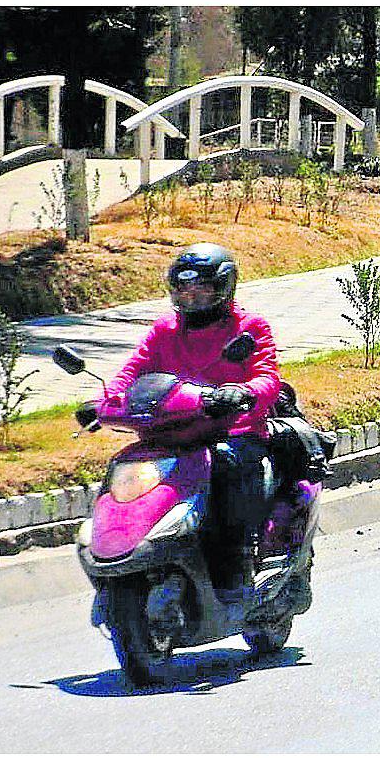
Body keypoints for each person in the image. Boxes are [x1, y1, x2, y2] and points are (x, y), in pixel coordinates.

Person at [103, 243, 281, 595]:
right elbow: (131, 373)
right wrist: (105, 402)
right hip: (172, 431)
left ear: (223, 287)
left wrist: (241, 392)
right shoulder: (164, 331)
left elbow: (267, 376)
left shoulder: (249, 327)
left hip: (230, 430)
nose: (192, 296)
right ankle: (120, 546)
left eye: (201, 288)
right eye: (184, 289)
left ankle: (239, 560)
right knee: (125, 466)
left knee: (229, 465)